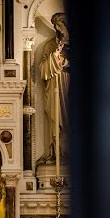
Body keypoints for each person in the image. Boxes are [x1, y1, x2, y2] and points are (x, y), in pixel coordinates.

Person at [36, 13, 70, 165]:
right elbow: (43, 70)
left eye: (61, 24)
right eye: (56, 25)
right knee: (57, 118)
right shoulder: (50, 45)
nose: (58, 28)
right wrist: (55, 53)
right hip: (56, 86)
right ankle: (58, 153)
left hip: (70, 85)